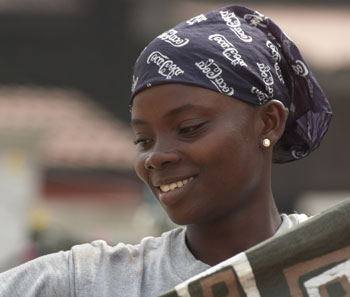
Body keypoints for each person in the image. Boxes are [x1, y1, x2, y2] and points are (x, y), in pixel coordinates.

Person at [0, 4, 331, 297]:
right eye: (143, 141)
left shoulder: (335, 266)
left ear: (268, 122)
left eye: (188, 128)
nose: (155, 157)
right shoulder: (86, 283)